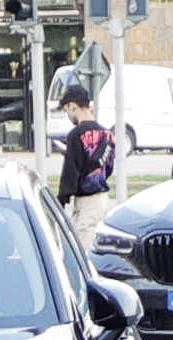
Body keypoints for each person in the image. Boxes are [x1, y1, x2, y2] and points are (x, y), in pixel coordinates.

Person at [56, 84, 115, 249]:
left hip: (87, 201)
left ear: (72, 106)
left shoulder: (76, 135)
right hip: (103, 199)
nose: (68, 115)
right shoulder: (107, 135)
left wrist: (61, 200)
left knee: (82, 250)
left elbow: (70, 172)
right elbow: (109, 167)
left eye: (67, 110)